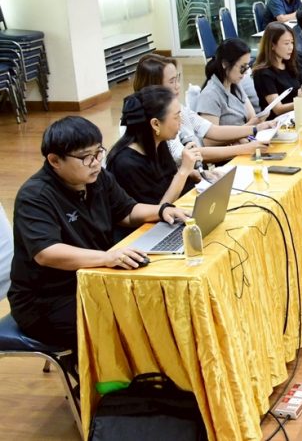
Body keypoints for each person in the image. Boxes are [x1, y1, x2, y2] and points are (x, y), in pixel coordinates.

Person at [8, 117, 190, 348]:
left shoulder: (96, 178)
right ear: (54, 160)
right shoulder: (35, 196)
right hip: (48, 301)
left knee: (156, 300)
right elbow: (47, 253)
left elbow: (126, 211)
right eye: (86, 157)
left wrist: (162, 211)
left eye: (98, 153)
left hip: (93, 278)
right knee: (134, 321)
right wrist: (108, 257)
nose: (96, 163)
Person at [132, 54, 271, 164]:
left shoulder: (179, 108)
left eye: (177, 79)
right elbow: (184, 156)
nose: (178, 85)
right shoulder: (155, 122)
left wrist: (255, 129)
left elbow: (212, 130)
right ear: (154, 87)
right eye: (171, 81)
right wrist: (244, 148)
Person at [107, 87, 201, 205]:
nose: (181, 122)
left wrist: (191, 174)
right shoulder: (125, 165)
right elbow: (159, 210)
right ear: (156, 124)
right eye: (176, 117)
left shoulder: (158, 142)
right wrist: (183, 171)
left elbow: (168, 180)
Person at [196, 38, 259, 127]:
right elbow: (211, 135)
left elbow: (252, 117)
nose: (245, 72)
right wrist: (250, 128)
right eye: (242, 67)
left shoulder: (235, 85)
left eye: (247, 67)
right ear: (225, 64)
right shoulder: (209, 96)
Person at [252, 22, 301, 116]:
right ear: (272, 45)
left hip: (297, 114)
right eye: (286, 43)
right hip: (278, 121)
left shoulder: (290, 64)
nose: (291, 47)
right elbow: (278, 109)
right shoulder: (263, 73)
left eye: (292, 42)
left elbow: (300, 91)